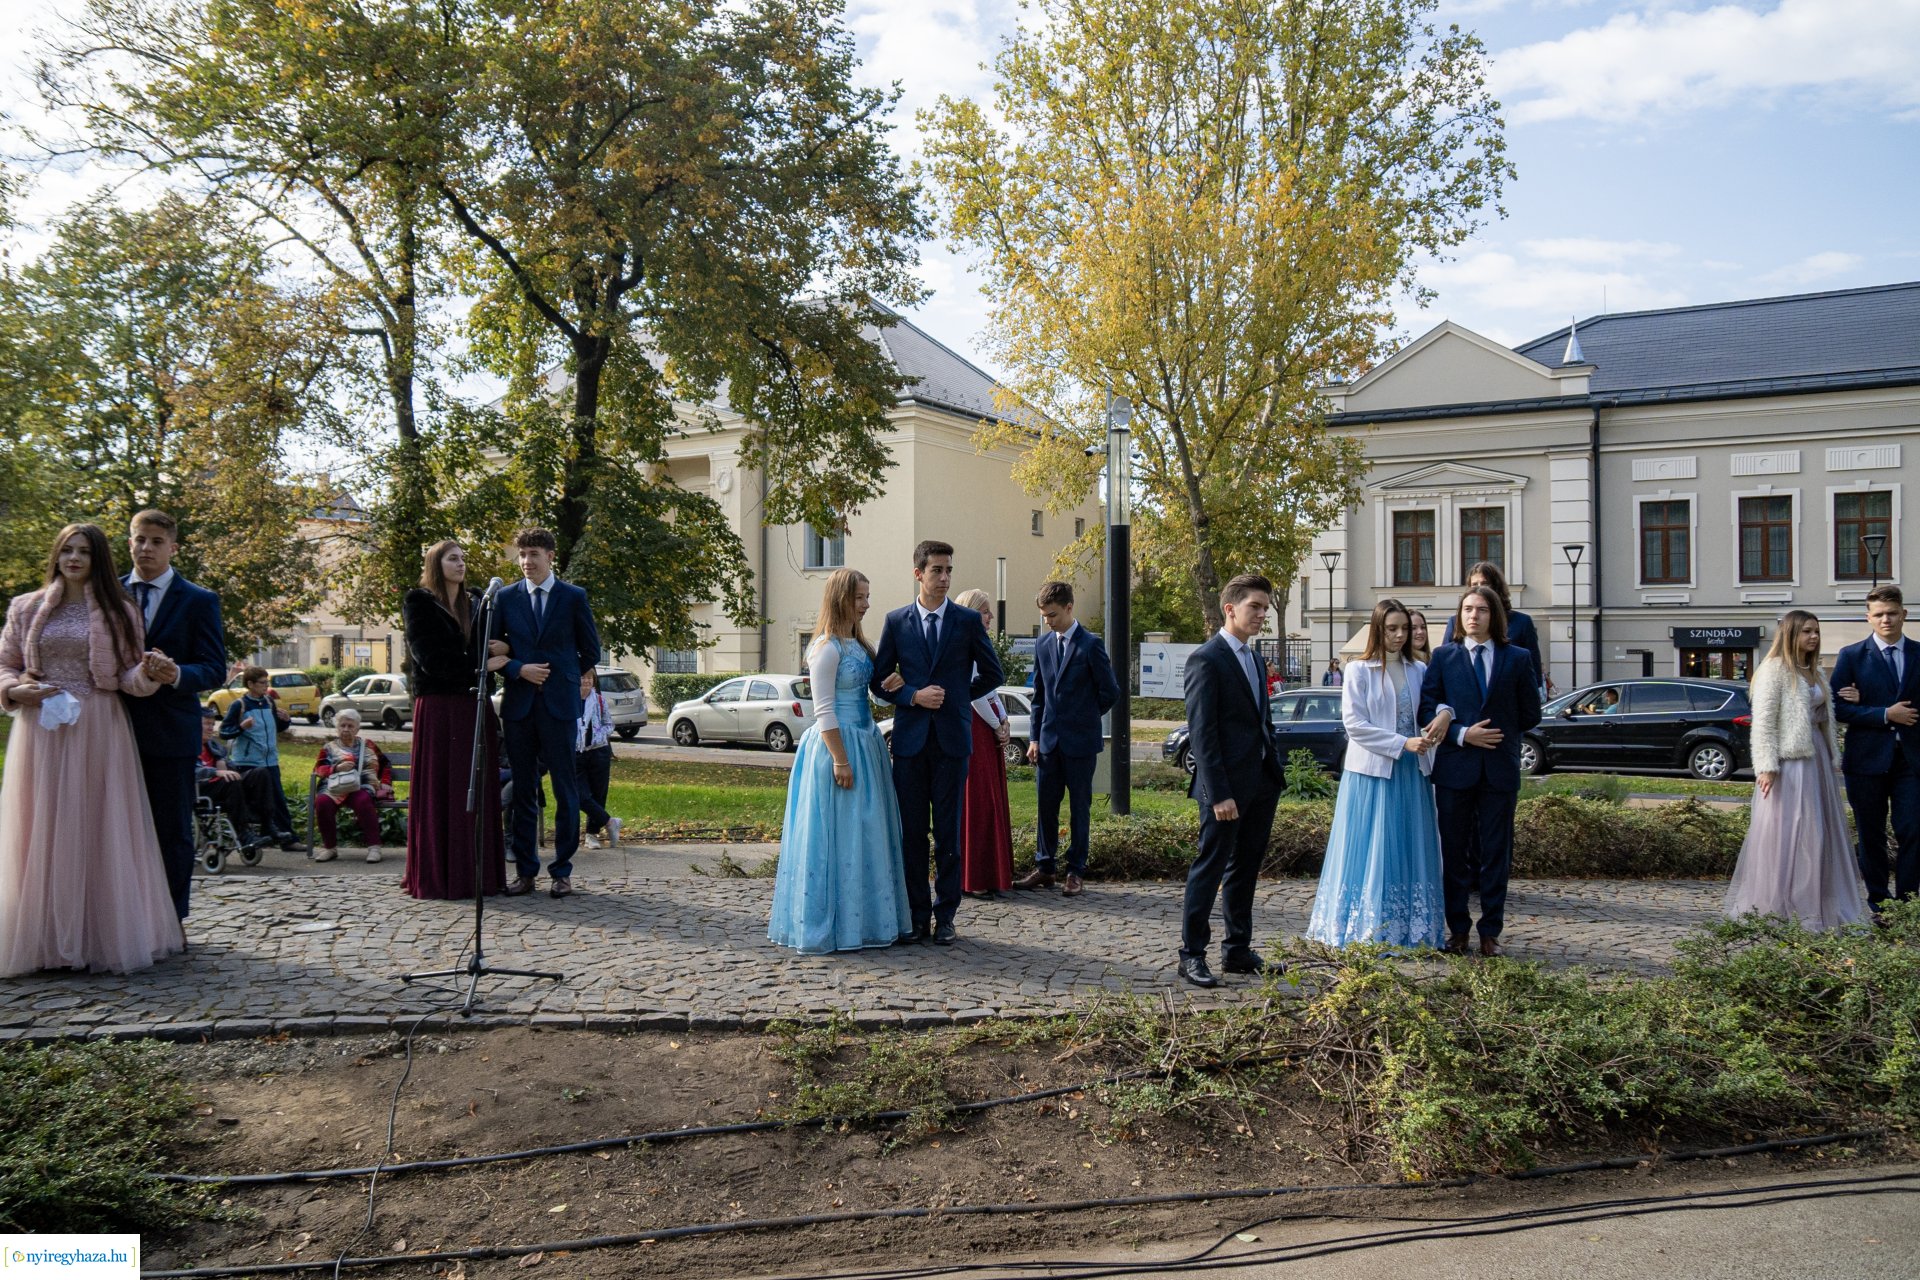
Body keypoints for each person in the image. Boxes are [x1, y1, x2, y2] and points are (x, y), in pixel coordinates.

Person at [0, 523, 183, 975]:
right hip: (40, 728)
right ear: (56, 555)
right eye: (67, 550)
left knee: (98, 828)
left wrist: (152, 675)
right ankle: (42, 938)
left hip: (99, 726)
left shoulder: (120, 610)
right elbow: (5, 663)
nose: (74, 558)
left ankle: (96, 936)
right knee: (39, 827)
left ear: (98, 558)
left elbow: (126, 676)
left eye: (83, 551)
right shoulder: (25, 607)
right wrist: (14, 690)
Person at [769, 569, 914, 952]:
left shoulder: (861, 646)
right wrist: (840, 759)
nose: (866, 604)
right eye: (859, 598)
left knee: (865, 835)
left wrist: (891, 687)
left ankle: (865, 921)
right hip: (838, 748)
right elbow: (824, 709)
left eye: (867, 597)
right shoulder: (825, 647)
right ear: (840, 599)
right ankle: (832, 925)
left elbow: (875, 698)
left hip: (866, 743)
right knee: (836, 836)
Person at [870, 540, 1004, 946]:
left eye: (949, 570)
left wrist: (957, 696)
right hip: (909, 744)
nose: (945, 578)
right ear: (919, 574)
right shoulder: (896, 621)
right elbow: (878, 681)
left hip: (951, 742)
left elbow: (993, 672)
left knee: (948, 833)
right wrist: (912, 695)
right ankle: (915, 916)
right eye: (937, 571)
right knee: (911, 835)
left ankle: (946, 916)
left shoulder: (965, 621)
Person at [1306, 599, 1446, 948]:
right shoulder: (1358, 670)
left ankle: (1409, 929)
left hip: (1412, 773)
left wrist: (1444, 713)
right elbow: (1355, 725)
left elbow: (1436, 703)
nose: (1400, 636)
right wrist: (1402, 743)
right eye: (1392, 629)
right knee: (1372, 850)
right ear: (1378, 629)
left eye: (1405, 629)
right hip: (1370, 774)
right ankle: (1364, 927)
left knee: (1408, 847)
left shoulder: (1420, 670)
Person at [1727, 610, 1872, 931]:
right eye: (1807, 631)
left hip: (1817, 758)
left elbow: (1822, 715)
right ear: (1791, 634)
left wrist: (1847, 700)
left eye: (1816, 631)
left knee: (1819, 833)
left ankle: (1817, 907)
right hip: (1789, 763)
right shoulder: (1774, 671)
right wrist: (1766, 767)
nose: (1814, 637)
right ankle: (1783, 907)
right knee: (1792, 832)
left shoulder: (1814, 671)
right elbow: (1762, 723)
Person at [1419, 585, 1543, 957]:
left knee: (1495, 854)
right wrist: (1461, 734)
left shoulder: (1517, 657)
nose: (1474, 615)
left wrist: (1499, 731)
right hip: (1455, 769)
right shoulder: (1443, 657)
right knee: (1454, 854)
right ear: (1459, 615)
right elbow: (1426, 711)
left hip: (1499, 770)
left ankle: (1491, 931)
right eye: (1468, 609)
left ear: (1495, 616)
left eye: (1482, 609)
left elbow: (1531, 712)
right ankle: (1458, 930)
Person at [1177, 573, 1287, 988]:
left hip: (1260, 784)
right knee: (1210, 867)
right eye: (1255, 607)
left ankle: (1237, 950)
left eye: (1265, 608)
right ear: (1230, 608)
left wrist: (1271, 768)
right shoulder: (1207, 659)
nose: (1262, 615)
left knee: (1246, 870)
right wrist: (1219, 792)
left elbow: (1262, 721)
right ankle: (1191, 955)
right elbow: (1202, 734)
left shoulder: (1255, 659)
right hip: (1223, 790)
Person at [121, 509, 228, 918]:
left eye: (156, 541)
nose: (146, 548)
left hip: (169, 731)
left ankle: (170, 919)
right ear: (129, 542)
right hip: (114, 726)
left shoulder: (199, 599)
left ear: (173, 547)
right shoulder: (110, 594)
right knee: (116, 826)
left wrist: (177, 673)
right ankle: (122, 920)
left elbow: (214, 667)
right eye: (139, 539)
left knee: (171, 829)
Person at [401, 540, 511, 900]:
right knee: (443, 790)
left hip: (471, 706)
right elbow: (432, 659)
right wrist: (480, 665)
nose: (461, 564)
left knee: (475, 788)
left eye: (463, 558)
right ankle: (441, 875)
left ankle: (476, 875)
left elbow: (488, 647)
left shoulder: (476, 602)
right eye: (453, 558)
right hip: (437, 708)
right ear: (436, 563)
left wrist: (501, 651)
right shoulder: (419, 603)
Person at [496, 528, 602, 899]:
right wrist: (518, 668)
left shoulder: (573, 597)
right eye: (522, 554)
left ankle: (562, 871)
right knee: (524, 790)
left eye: (534, 554)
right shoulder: (505, 598)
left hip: (559, 705)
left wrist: (563, 674)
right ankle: (525, 872)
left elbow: (591, 650)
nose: (527, 561)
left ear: (551, 556)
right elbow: (492, 654)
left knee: (565, 789)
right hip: (519, 708)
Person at [1015, 580, 1120, 898]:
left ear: (1069, 608)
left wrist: (1085, 718)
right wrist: (1034, 738)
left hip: (1080, 743)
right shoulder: (1043, 645)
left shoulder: (1091, 644)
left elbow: (1110, 692)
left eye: (1053, 615)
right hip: (1047, 743)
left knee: (1079, 808)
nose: (1048, 621)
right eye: (1044, 615)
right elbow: (1039, 698)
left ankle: (1076, 871)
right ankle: (1045, 867)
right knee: (1046, 807)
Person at [1830, 585, 1920, 909]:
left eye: (1892, 613)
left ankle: (1909, 903)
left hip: (1912, 761)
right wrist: (1884, 713)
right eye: (1879, 614)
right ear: (1868, 617)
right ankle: (1880, 904)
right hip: (1866, 759)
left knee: (1912, 830)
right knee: (1871, 835)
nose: (1886, 620)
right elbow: (1837, 709)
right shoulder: (1851, 656)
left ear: (1904, 615)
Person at [952, 589, 1014, 897]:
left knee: (988, 798)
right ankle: (975, 875)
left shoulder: (979, 642)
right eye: (985, 611)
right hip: (975, 728)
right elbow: (974, 694)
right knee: (979, 800)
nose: (990, 617)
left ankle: (987, 873)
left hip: (985, 727)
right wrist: (997, 724)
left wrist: (1003, 721)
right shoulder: (967, 643)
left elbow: (991, 691)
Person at [219, 665, 300, 849]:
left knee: (278, 799)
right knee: (257, 800)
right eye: (263, 683)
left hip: (271, 760)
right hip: (247, 762)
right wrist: (241, 728)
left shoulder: (269, 702)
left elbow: (275, 728)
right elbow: (224, 732)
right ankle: (259, 834)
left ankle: (287, 839)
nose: (266, 686)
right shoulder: (239, 705)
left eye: (267, 682)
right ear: (250, 684)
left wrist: (285, 721)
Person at [1440, 562, 1545, 694]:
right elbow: (1446, 663)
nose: (1479, 588)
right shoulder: (1456, 622)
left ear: (1496, 587)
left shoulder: (1521, 622)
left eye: (1484, 584)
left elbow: (1533, 671)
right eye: (1474, 585)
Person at [311, 707, 395, 862]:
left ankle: (374, 848)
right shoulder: (328, 748)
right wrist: (335, 768)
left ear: (357, 728)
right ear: (337, 728)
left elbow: (385, 764)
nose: (346, 729)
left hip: (363, 785)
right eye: (342, 725)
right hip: (335, 787)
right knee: (322, 802)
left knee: (363, 801)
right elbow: (319, 769)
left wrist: (385, 782)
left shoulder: (368, 745)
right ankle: (330, 848)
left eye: (350, 726)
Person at [196, 704, 275, 851]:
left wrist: (225, 764)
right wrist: (215, 772)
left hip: (222, 786)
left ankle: (267, 824)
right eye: (206, 724)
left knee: (260, 773)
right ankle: (243, 832)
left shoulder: (214, 746)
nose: (211, 728)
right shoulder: (187, 747)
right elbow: (190, 771)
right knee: (231, 782)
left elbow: (231, 767)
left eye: (212, 724)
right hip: (201, 790)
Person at [576, 673, 622, 851]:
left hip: (598, 752)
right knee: (580, 795)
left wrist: (598, 736)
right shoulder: (569, 699)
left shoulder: (600, 701)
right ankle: (610, 821)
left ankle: (591, 834)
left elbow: (609, 724)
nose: (586, 681)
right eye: (583, 678)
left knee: (598, 794)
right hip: (577, 752)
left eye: (590, 678)